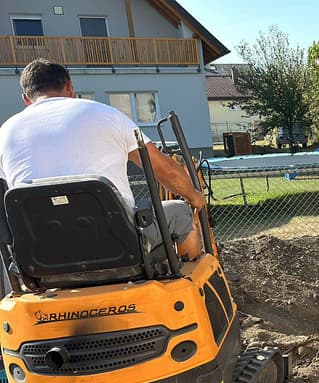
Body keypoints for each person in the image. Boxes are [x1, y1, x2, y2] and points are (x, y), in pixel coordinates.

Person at [0, 59, 205, 260]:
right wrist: (194, 196)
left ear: (26, 99)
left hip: (42, 256)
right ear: (70, 88)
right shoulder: (107, 115)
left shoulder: (5, 133)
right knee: (180, 212)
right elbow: (164, 169)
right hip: (119, 245)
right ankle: (185, 282)